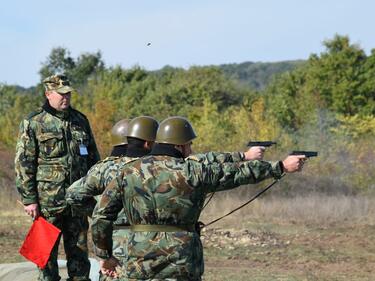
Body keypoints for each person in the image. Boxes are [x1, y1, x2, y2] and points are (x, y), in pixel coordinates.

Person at [91, 116, 306, 280]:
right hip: (183, 258)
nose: (191, 149)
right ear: (178, 145)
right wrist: (280, 167)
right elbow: (237, 173)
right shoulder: (194, 171)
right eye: (189, 145)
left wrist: (104, 255)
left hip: (138, 256)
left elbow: (102, 215)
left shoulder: (128, 172)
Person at [15, 74, 100, 281]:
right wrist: (29, 199)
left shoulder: (80, 120)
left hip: (78, 203)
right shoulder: (34, 122)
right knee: (45, 260)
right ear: (48, 94)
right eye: (61, 94)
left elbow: (93, 159)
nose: (66, 98)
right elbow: (23, 163)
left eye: (68, 93)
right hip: (47, 204)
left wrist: (95, 192)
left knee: (80, 258)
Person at [66, 116, 159, 280]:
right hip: (152, 241)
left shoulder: (106, 168)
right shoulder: (156, 168)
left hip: (114, 243)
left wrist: (98, 212)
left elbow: (73, 194)